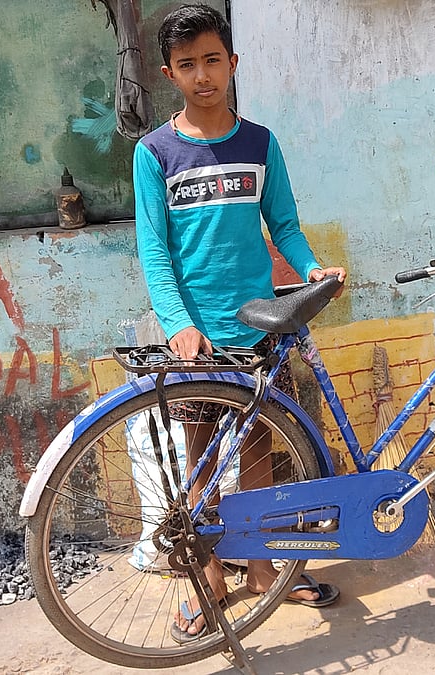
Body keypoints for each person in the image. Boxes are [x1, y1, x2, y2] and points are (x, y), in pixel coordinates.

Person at [132, 4, 346, 642]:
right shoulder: (155, 153)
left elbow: (282, 223)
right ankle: (208, 582)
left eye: (213, 61)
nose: (203, 75)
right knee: (198, 465)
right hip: (193, 336)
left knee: (256, 450)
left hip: (259, 325)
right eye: (188, 64)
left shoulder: (260, 143)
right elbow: (154, 249)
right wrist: (176, 322)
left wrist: (309, 268)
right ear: (170, 72)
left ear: (233, 63)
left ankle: (261, 569)